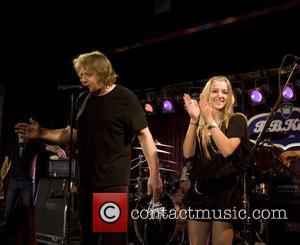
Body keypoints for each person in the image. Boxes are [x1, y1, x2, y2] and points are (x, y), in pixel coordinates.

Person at [15, 50, 163, 245]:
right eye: (81, 75)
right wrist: (41, 132)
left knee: (111, 239)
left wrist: (154, 175)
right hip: (85, 182)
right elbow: (71, 134)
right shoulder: (83, 100)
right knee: (88, 238)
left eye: (88, 75)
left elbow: (145, 135)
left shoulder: (124, 98)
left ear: (102, 72)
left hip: (112, 182)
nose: (83, 80)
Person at [182, 76, 250, 245]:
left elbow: (227, 149)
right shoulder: (201, 125)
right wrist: (194, 120)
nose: (220, 95)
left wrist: (210, 121)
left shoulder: (237, 119)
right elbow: (187, 154)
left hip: (226, 193)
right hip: (201, 192)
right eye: (215, 91)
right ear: (207, 95)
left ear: (230, 97)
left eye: (225, 92)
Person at [1, 131, 66, 221]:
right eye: (20, 131)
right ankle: (9, 233)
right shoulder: (11, 144)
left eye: (24, 131)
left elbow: (47, 147)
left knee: (29, 215)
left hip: (27, 184)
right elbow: (6, 163)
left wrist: (57, 149)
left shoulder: (33, 144)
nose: (22, 133)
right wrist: (0, 178)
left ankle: (28, 234)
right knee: (7, 214)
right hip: (13, 183)